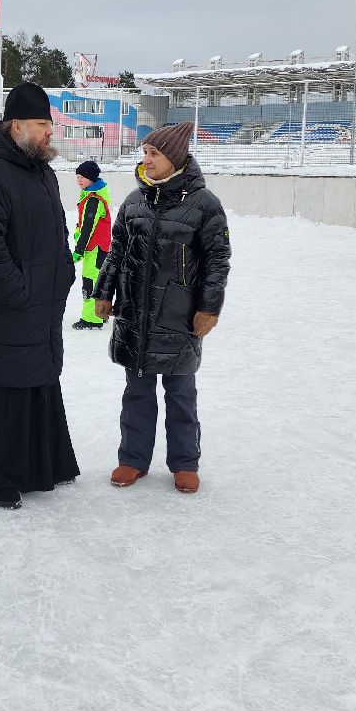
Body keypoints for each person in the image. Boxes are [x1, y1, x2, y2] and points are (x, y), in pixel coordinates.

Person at [93, 122, 231, 495]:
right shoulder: (135, 200)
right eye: (145, 153)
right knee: (136, 391)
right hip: (135, 314)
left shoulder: (204, 204)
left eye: (153, 153)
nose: (146, 160)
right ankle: (133, 459)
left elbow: (218, 261)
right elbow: (116, 251)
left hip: (179, 316)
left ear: (174, 158)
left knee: (180, 392)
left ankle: (185, 462)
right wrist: (104, 291)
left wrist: (209, 308)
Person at [0, 82, 80, 510]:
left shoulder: (42, 172)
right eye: (41, 123)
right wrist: (18, 292)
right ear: (16, 126)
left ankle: (44, 463)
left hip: (41, 303)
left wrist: (63, 274)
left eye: (50, 122)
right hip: (5, 308)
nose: (50, 131)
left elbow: (57, 232)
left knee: (38, 381)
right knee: (3, 391)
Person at [70, 160, 113, 329]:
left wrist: (79, 249)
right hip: (96, 248)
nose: (79, 180)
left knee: (91, 282)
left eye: (83, 177)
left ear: (92, 178)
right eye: (77, 177)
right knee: (98, 281)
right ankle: (101, 314)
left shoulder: (94, 199)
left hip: (94, 248)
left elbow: (89, 227)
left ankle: (92, 319)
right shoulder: (92, 195)